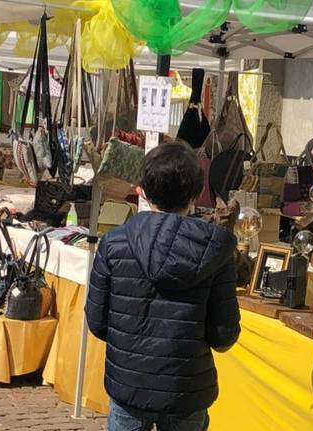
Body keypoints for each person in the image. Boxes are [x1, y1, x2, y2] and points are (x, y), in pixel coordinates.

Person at [85, 142, 241, 431]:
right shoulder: (215, 250)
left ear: (142, 189)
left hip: (130, 383)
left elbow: (97, 322)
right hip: (186, 385)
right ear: (196, 194)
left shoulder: (113, 244)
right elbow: (224, 334)